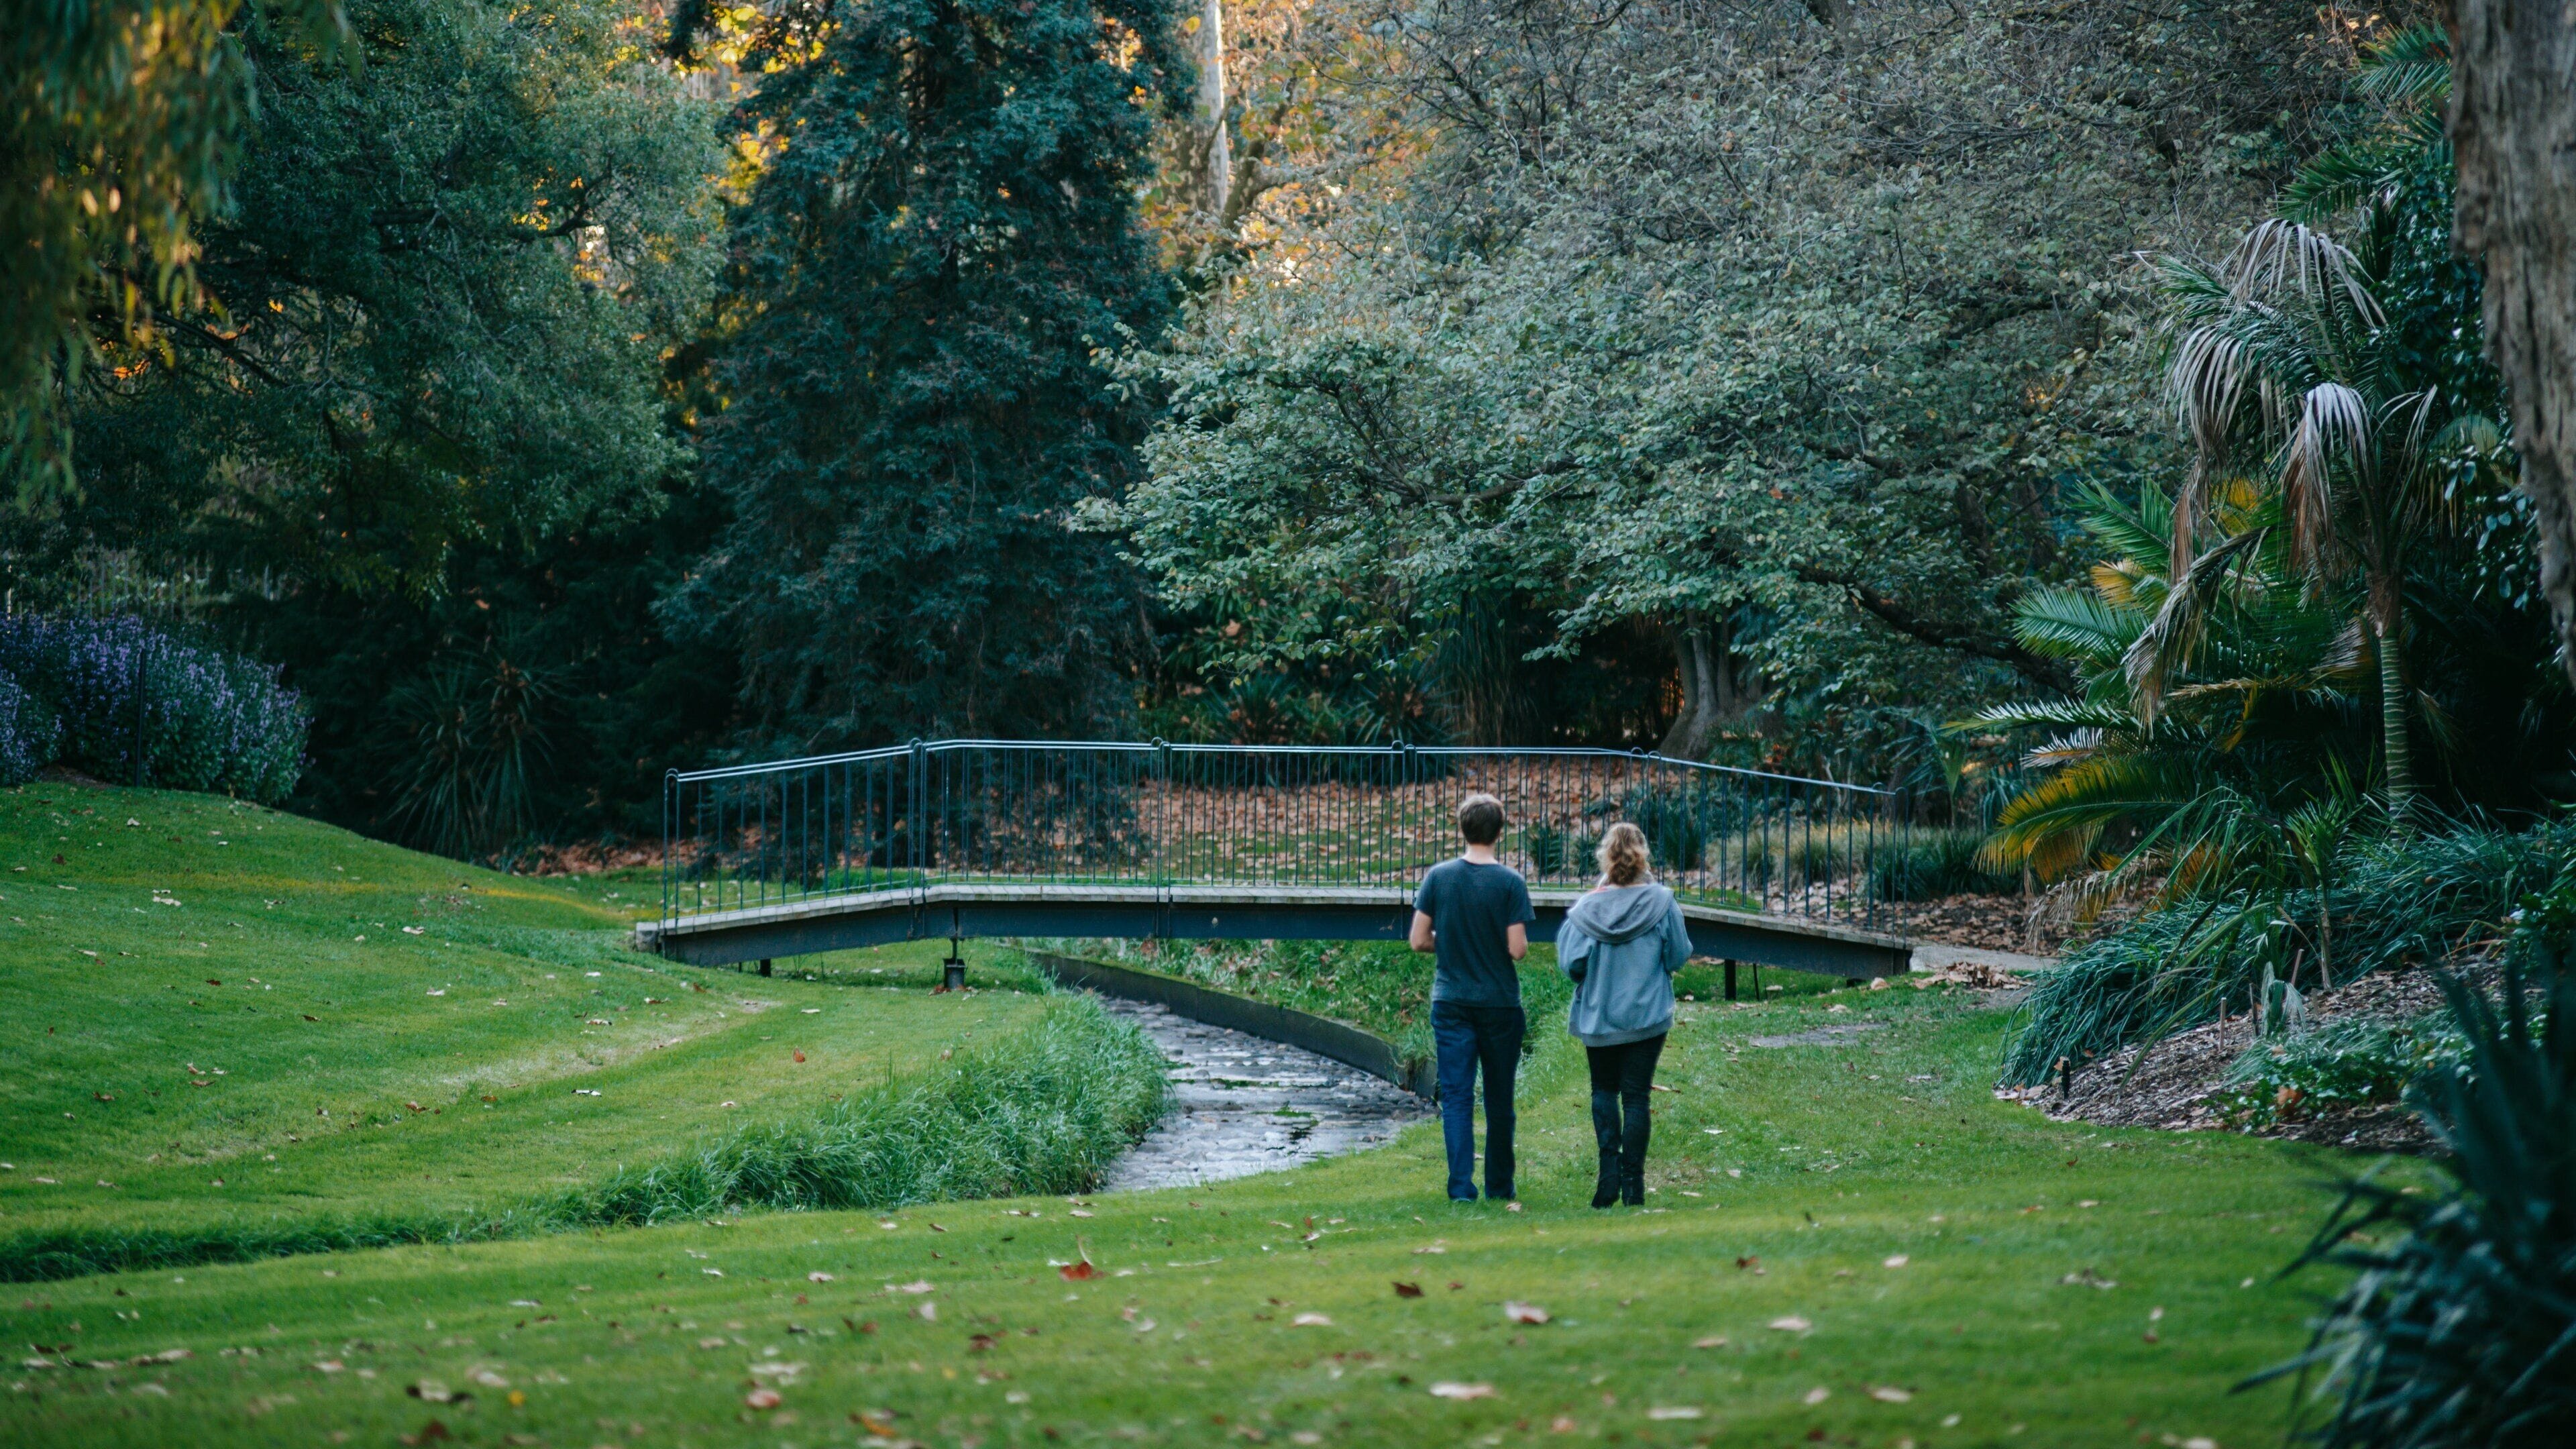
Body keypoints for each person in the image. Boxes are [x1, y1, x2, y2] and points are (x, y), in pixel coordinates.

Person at [1556, 821, 1692, 1208]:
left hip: (1599, 1017)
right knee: (1635, 1098)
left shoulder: (1586, 909)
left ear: (1606, 858)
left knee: (1603, 1090)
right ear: (1642, 857)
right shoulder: (1663, 902)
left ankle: (1607, 1178)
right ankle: (1634, 1186)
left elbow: (1572, 966)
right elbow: (1678, 955)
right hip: (1647, 1017)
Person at [1409, 792, 1534, 1203]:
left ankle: (1461, 1188)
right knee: (1500, 1100)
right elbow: (1517, 949)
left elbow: (1417, 940)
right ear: (1500, 832)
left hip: (1452, 1002)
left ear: (1462, 829)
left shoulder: (1439, 877)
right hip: (1499, 1004)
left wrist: (1450, 942)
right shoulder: (1511, 883)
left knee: (1459, 1097)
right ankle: (1500, 1186)